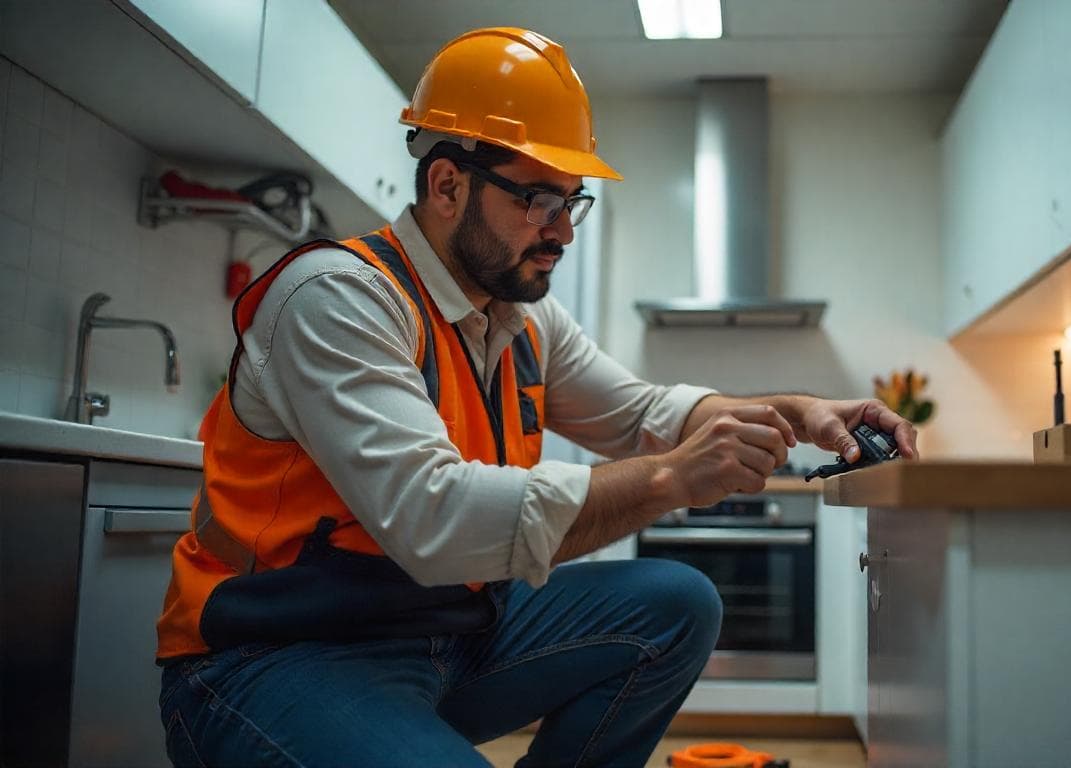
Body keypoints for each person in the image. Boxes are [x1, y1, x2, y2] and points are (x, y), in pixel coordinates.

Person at [156, 26, 918, 768]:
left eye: (571, 203)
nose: (563, 233)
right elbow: (434, 522)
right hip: (278, 655)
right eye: (539, 200)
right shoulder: (338, 298)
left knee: (678, 603)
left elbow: (644, 414)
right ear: (447, 185)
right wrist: (670, 478)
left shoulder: (522, 321)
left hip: (447, 636)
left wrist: (802, 413)